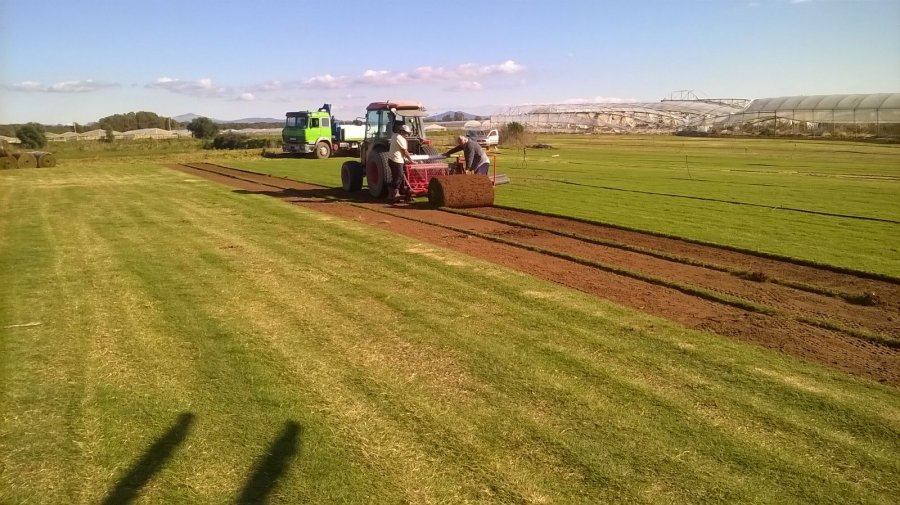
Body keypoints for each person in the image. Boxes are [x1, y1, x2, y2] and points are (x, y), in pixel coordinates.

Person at [387, 124, 414, 201]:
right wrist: (411, 161)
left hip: (392, 159)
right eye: (406, 133)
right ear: (402, 131)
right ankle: (393, 194)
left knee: (399, 176)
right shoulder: (400, 138)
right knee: (399, 176)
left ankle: (401, 192)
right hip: (396, 160)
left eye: (408, 133)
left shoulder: (395, 135)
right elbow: (405, 151)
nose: (407, 135)